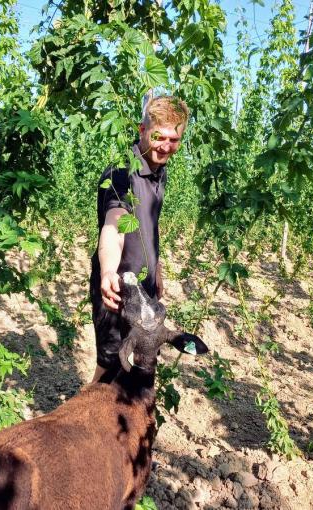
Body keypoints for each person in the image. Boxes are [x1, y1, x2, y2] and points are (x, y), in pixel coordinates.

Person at [89, 95, 189, 383]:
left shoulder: (160, 172)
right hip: (118, 291)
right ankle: (81, 422)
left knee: (142, 361)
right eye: (159, 137)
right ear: (142, 129)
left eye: (174, 140)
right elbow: (114, 225)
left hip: (145, 291)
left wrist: (156, 269)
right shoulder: (122, 173)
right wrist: (108, 271)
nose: (166, 146)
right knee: (110, 367)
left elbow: (150, 223)